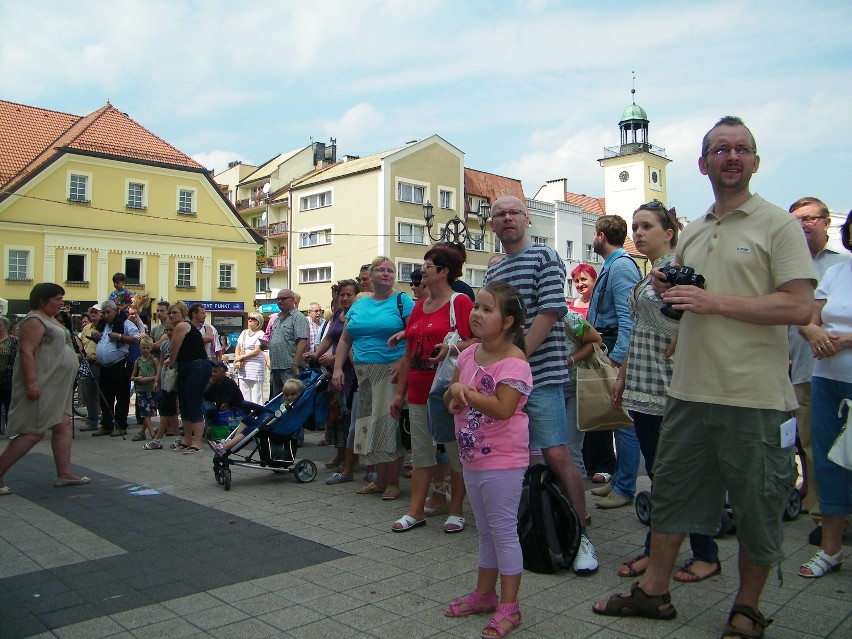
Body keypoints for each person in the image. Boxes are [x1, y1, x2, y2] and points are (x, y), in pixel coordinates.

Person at [593, 116, 815, 639]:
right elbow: (679, 314)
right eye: (720, 149)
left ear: (755, 161)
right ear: (703, 163)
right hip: (688, 390)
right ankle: (654, 593)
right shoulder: (692, 231)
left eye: (741, 148)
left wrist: (714, 301)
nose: (731, 156)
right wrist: (671, 294)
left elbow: (799, 304)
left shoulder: (777, 225)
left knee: (757, 505)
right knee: (670, 495)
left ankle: (746, 608)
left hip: (754, 395)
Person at [485, 195, 597, 575]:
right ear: (493, 225)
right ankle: (532, 527)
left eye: (514, 212)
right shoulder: (493, 272)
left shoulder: (546, 257)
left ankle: (581, 537)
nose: (507, 218)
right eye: (500, 214)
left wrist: (516, 360)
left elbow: (550, 312)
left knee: (555, 452)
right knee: (515, 458)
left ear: (527, 218)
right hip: (504, 381)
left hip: (543, 375)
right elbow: (490, 325)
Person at [610, 201, 720, 582]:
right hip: (643, 383)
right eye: (635, 227)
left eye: (646, 227)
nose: (638, 233)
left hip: (669, 386)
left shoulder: (677, 272)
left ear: (669, 232)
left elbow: (683, 330)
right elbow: (641, 329)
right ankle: (660, 550)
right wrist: (622, 376)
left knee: (676, 474)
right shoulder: (650, 273)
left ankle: (703, 551)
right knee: (661, 473)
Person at [442, 281, 532, 639]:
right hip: (473, 459)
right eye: (476, 307)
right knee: (485, 532)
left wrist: (467, 393)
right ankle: (483, 594)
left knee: (504, 532)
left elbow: (504, 408)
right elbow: (453, 389)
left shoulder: (515, 361)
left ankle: (510, 606)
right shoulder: (468, 354)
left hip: (504, 461)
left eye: (486, 309)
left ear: (508, 321)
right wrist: (454, 396)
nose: (476, 314)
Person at [390, 245, 474, 533]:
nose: (422, 270)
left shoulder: (459, 302)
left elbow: (477, 341)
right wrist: (400, 394)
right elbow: (408, 354)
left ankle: (456, 509)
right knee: (422, 452)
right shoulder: (418, 306)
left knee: (454, 451)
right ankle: (415, 510)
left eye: (428, 265)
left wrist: (451, 347)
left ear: (444, 272)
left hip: (447, 391)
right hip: (417, 389)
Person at [786, 197, 848, 541]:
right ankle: (815, 502)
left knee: (833, 443)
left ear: (826, 222)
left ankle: (830, 514)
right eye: (796, 220)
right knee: (807, 441)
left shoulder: (840, 266)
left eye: (809, 219)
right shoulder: (786, 265)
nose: (803, 225)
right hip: (798, 363)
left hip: (832, 367)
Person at [797, 209, 852, 578]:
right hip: (826, 378)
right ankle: (831, 550)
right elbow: (810, 316)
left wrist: (847, 339)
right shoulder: (836, 273)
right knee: (828, 465)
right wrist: (815, 334)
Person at [332, 256, 413, 500]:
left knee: (389, 424)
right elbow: (346, 339)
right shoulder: (359, 304)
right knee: (369, 424)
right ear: (370, 275)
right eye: (380, 270)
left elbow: (413, 336)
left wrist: (403, 363)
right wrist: (337, 368)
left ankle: (393, 482)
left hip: (391, 371)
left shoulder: (402, 301)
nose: (386, 274)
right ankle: (379, 479)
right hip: (363, 374)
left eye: (390, 270)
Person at [0, 283, 90, 493]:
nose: (61, 303)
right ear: (43, 300)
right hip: (43, 383)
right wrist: (32, 382)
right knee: (33, 431)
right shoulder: (34, 320)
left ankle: (64, 473)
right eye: (57, 299)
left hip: (57, 384)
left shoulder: (50, 319)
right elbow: (26, 351)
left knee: (62, 425)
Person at [586, 214, 642, 507]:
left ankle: (625, 487)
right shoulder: (614, 266)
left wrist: (618, 359)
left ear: (602, 237)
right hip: (606, 344)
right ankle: (620, 480)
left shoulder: (620, 267)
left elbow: (628, 319)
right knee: (617, 417)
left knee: (623, 420)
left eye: (594, 234)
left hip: (613, 348)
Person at [309, 279, 360, 478]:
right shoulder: (339, 314)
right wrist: (315, 355)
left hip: (352, 371)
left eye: (349, 294)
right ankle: (340, 455)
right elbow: (329, 338)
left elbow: (352, 343)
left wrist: (334, 357)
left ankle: (352, 460)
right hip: (336, 371)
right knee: (336, 416)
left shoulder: (359, 313)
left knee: (349, 418)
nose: (345, 298)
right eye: (342, 294)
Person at [212, 376, 301, 456]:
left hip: (278, 430)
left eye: (293, 395)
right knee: (247, 419)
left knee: (249, 430)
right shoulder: (285, 404)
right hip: (271, 426)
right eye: (287, 395)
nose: (289, 397)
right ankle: (232, 442)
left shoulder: (295, 407)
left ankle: (224, 448)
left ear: (299, 394)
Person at [167, 302, 213, 454]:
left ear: (183, 313)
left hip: (197, 366)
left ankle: (197, 443)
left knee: (193, 403)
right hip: (187, 366)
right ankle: (187, 440)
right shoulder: (183, 327)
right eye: (170, 313)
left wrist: (171, 363)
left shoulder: (182, 326)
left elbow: (174, 349)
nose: (171, 315)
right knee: (185, 404)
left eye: (174, 312)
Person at [91, 300, 140, 437]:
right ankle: (107, 425)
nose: (106, 315)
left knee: (122, 396)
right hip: (104, 367)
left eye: (109, 312)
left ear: (116, 311)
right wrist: (95, 336)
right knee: (105, 396)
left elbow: (136, 339)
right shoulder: (103, 325)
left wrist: (119, 336)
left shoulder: (125, 323)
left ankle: (121, 425)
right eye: (104, 313)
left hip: (119, 365)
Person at [143, 322, 180, 450]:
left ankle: (158, 439)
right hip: (165, 379)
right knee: (170, 410)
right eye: (167, 330)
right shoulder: (164, 344)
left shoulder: (178, 344)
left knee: (166, 409)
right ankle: (177, 437)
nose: (169, 332)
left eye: (172, 330)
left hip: (174, 380)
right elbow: (160, 364)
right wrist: (157, 380)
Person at [268, 289, 309, 398]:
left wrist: (295, 365)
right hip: (276, 367)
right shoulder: (277, 318)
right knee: (276, 402)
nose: (280, 301)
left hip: (289, 368)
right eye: (278, 299)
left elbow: (302, 341)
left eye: (283, 298)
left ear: (292, 299)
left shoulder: (298, 317)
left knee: (291, 400)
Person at [78, 304, 102, 432]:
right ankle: (92, 420)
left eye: (95, 313)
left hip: (102, 364)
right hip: (89, 363)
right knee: (90, 394)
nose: (93, 315)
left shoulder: (105, 326)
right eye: (91, 313)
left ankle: (106, 419)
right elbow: (81, 343)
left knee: (105, 394)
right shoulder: (86, 328)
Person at [232, 312, 266, 404]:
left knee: (256, 394)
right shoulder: (244, 332)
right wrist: (237, 358)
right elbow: (238, 347)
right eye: (249, 318)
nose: (250, 320)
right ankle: (246, 413)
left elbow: (257, 351)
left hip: (255, 367)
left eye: (253, 319)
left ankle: (257, 414)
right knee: (244, 393)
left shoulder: (261, 334)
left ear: (258, 322)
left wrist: (241, 357)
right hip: (243, 367)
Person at [130, 336, 159, 441]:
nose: (145, 350)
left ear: (151, 348)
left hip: (151, 389)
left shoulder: (154, 360)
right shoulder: (138, 361)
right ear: (140, 348)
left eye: (147, 348)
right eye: (143, 347)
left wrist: (149, 379)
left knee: (150, 413)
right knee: (145, 412)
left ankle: (142, 432)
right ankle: (152, 434)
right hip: (141, 390)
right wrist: (138, 378)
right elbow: (132, 376)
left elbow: (158, 375)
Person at [0, 315, 18, 433]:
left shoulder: (13, 341)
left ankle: (11, 429)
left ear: (6, 327)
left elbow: (16, 359)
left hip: (8, 377)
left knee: (9, 404)